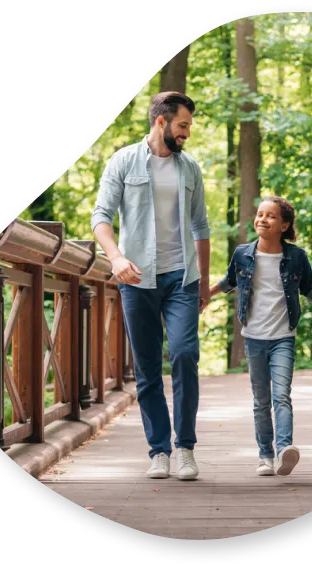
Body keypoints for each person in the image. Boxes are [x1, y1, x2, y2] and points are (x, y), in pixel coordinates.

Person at [91, 91, 210, 481]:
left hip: (182, 278)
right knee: (146, 367)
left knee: (184, 354)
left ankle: (186, 448)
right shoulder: (123, 161)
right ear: (161, 122)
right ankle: (158, 450)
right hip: (137, 279)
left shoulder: (189, 168)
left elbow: (200, 227)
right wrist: (116, 258)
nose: (187, 133)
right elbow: (101, 218)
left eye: (188, 126)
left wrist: (204, 281)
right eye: (182, 125)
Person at [209, 196, 312, 476]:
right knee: (261, 400)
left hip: (283, 337)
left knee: (281, 395)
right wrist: (205, 294)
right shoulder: (242, 253)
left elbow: (308, 288)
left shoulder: (296, 257)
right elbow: (228, 281)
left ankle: (285, 449)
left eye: (271, 216)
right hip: (253, 337)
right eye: (260, 214)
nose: (262, 219)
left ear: (284, 225)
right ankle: (265, 455)